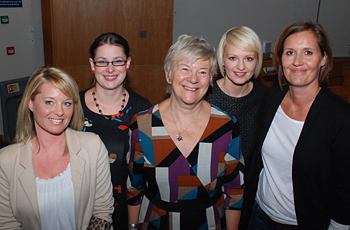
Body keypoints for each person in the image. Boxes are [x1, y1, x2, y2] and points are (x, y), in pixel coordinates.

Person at [126, 34, 245, 230]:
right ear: (168, 74)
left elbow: (235, 190)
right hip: (155, 224)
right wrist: (131, 227)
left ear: (210, 79)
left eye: (202, 72)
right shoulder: (142, 124)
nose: (193, 79)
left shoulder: (227, 126)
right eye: (185, 69)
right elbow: (134, 187)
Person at [241, 21, 350, 229]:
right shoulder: (271, 98)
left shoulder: (341, 117)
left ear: (323, 59)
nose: (297, 61)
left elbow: (346, 187)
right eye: (290, 52)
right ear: (281, 59)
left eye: (308, 52)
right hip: (259, 217)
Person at [0, 67, 114, 229]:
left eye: (66, 103)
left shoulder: (92, 146)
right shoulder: (5, 161)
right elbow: (6, 224)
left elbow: (103, 211)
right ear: (31, 103)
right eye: (49, 102)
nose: (59, 112)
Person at [80, 32, 152, 229]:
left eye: (117, 61)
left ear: (127, 63)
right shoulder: (72, 108)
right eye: (102, 62)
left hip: (129, 210)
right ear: (92, 64)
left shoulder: (143, 109)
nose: (110, 69)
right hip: (81, 209)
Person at [206, 26, 267, 164]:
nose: (241, 66)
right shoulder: (205, 97)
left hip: (252, 182)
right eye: (233, 58)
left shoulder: (266, 98)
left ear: (257, 61)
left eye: (249, 58)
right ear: (222, 59)